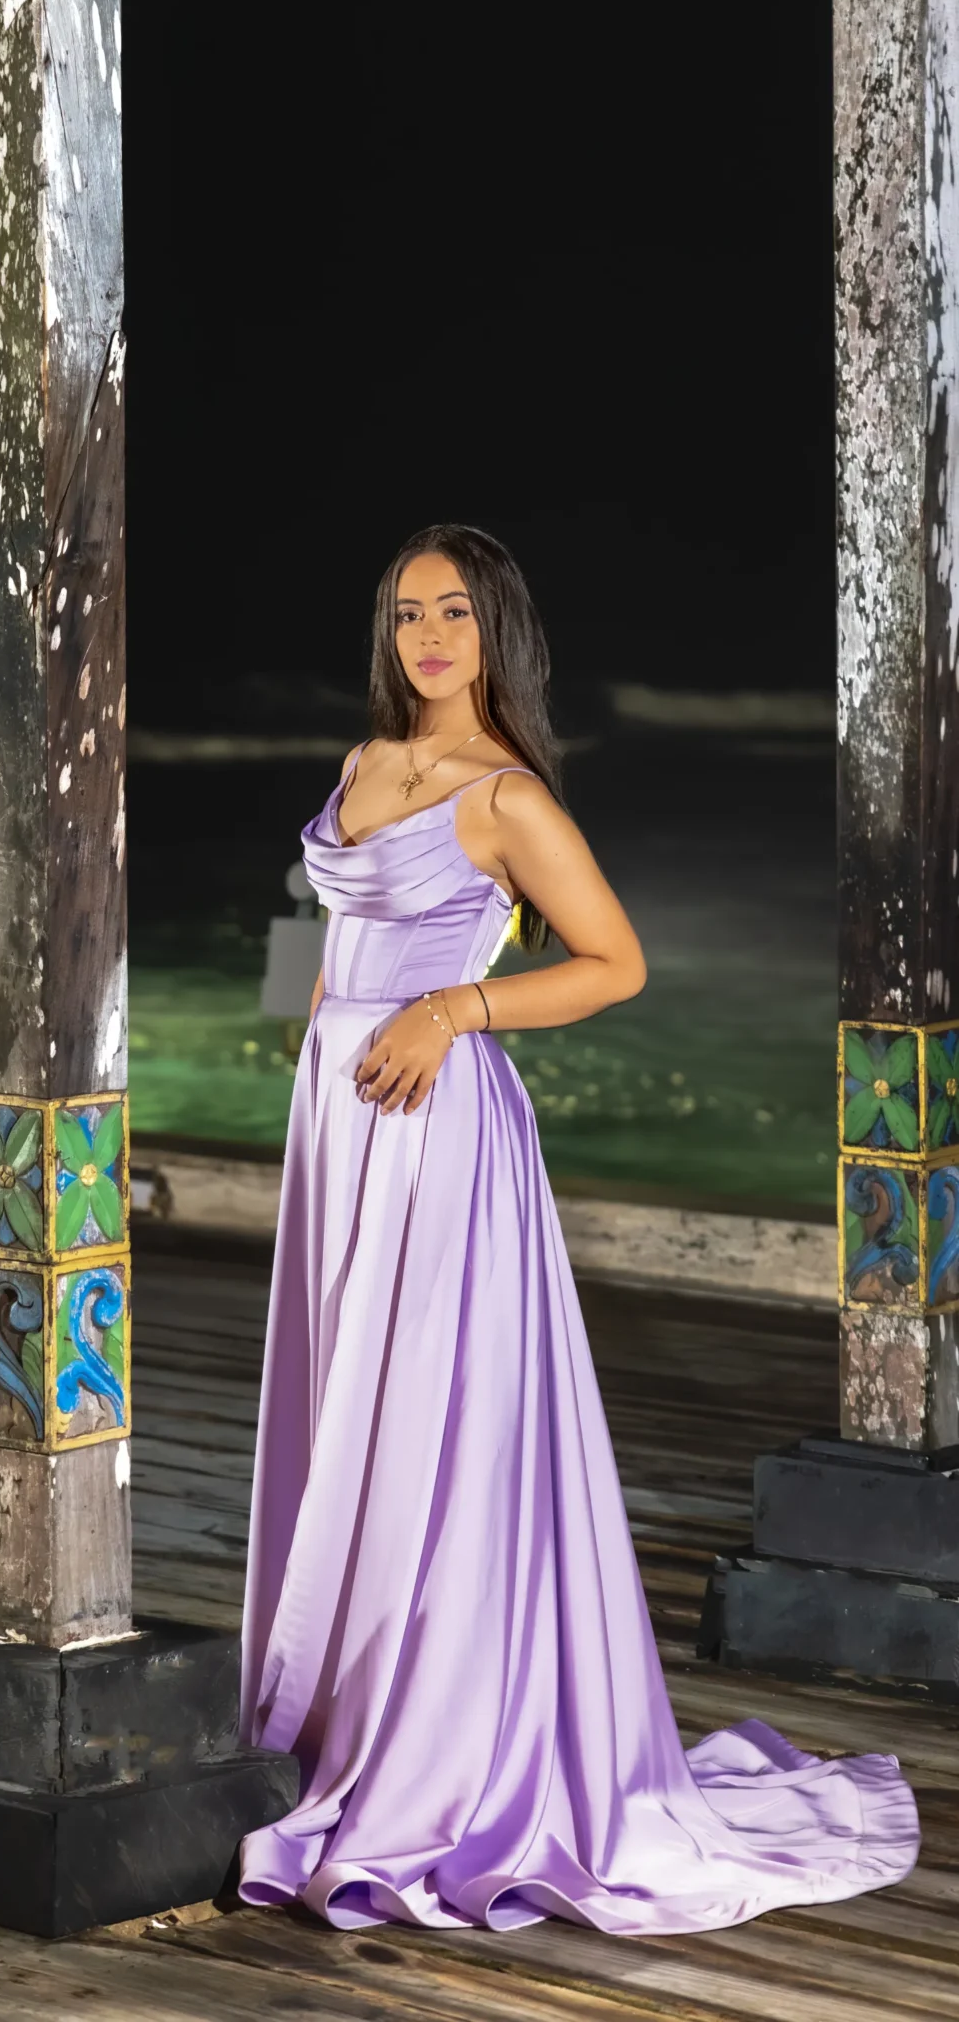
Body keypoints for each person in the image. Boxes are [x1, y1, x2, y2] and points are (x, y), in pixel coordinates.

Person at [237, 522, 918, 1933]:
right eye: (408, 612)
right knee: (345, 1410)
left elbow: (616, 963)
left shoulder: (506, 798)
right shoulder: (363, 765)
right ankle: (344, 1708)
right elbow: (330, 931)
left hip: (440, 1134)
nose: (429, 637)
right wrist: (314, 1027)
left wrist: (453, 1008)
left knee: (434, 1427)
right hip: (341, 1127)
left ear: (497, 630)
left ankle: (442, 1749)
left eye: (455, 613)